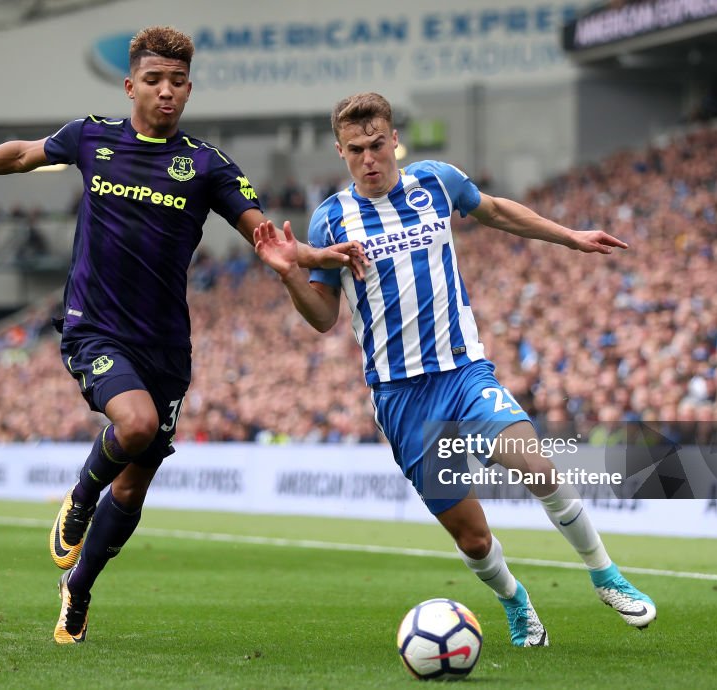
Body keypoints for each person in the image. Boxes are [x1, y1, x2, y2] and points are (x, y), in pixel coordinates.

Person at [0, 26, 364, 645]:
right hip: (95, 328)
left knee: (134, 484)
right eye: (154, 80)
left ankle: (79, 590)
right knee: (136, 426)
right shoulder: (93, 137)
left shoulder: (208, 165)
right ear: (131, 86)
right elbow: (21, 153)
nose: (167, 92)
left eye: (178, 82)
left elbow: (266, 236)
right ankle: (77, 496)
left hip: (166, 348)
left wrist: (311, 255)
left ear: (189, 88)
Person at [254, 92, 655, 648]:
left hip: (463, 371)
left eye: (377, 145)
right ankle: (517, 602)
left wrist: (569, 236)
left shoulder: (435, 182)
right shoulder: (329, 220)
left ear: (394, 140)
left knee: (537, 466)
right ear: (340, 152)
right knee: (472, 538)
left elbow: (496, 210)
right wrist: (288, 274)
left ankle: (606, 574)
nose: (369, 158)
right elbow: (323, 317)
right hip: (400, 396)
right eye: (355, 150)